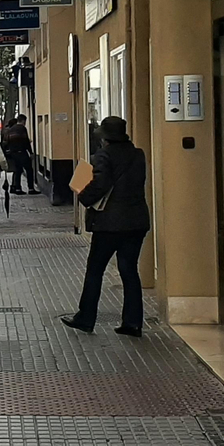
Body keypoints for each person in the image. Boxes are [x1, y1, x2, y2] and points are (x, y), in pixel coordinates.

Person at [62, 116, 151, 337]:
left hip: (109, 223)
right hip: (136, 220)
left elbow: (99, 184)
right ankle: (133, 322)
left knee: (95, 270)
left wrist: (83, 195)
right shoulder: (138, 155)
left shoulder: (103, 156)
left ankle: (86, 317)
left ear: (105, 138)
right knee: (129, 270)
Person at [1, 114, 39, 195]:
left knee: (18, 170)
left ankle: (17, 188)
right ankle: (31, 188)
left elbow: (6, 141)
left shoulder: (11, 129)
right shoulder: (22, 128)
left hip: (13, 153)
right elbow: (25, 141)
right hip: (22, 152)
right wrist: (31, 152)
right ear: (23, 121)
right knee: (29, 170)